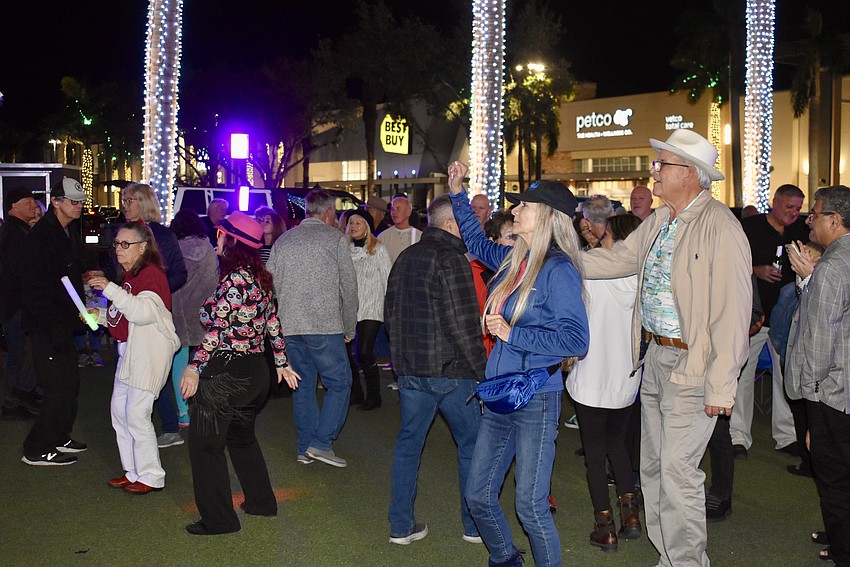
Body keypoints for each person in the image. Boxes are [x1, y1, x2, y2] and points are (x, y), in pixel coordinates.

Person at [581, 129, 752, 567]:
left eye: (662, 165)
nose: (653, 172)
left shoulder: (721, 226)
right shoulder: (660, 219)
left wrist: (721, 386)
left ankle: (687, 562)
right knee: (654, 467)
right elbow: (619, 259)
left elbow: (733, 312)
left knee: (677, 471)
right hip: (655, 357)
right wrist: (560, 257)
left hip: (695, 363)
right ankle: (669, 557)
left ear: (690, 173)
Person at [448, 163, 590, 567]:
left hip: (536, 398)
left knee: (530, 505)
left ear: (546, 216)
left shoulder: (558, 269)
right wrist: (457, 192)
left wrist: (514, 334)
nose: (514, 211)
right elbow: (476, 242)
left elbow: (576, 341)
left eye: (524, 206)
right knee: (478, 495)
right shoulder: (516, 259)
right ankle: (506, 558)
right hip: (499, 395)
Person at [179, 211, 298, 535]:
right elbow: (272, 322)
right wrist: (281, 362)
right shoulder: (260, 277)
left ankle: (219, 520)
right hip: (255, 373)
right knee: (241, 439)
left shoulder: (235, 280)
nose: (216, 238)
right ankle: (261, 502)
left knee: (205, 447)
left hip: (227, 374)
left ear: (231, 240)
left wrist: (194, 367)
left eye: (220, 234)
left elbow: (217, 329)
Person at [384, 195, 486, 546]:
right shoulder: (452, 259)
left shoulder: (406, 256)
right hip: (450, 372)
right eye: (465, 221)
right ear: (450, 224)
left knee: (408, 445)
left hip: (411, 370)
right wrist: (482, 371)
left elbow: (390, 314)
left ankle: (401, 526)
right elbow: (463, 325)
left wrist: (401, 361)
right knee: (472, 445)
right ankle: (473, 526)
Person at [566, 208, 642, 552]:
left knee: (595, 454)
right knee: (617, 445)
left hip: (591, 374)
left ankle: (605, 526)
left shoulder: (590, 268)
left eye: (606, 233)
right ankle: (630, 514)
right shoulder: (641, 273)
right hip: (625, 375)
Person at [267, 188, 358, 467]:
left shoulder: (284, 239)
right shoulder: (335, 239)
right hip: (324, 324)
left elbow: (269, 283)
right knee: (340, 383)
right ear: (329, 212)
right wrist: (349, 326)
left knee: (302, 385)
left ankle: (305, 446)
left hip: (290, 325)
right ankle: (321, 443)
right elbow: (349, 287)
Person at [87, 222, 179, 494]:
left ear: (143, 247)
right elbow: (124, 318)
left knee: (137, 415)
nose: (119, 248)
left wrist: (109, 289)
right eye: (117, 243)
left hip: (146, 354)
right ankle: (134, 471)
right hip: (131, 352)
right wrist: (99, 316)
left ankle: (151, 476)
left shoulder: (150, 275)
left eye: (126, 244)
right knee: (121, 413)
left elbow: (142, 313)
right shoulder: (131, 276)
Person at [785, 186, 850, 565]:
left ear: (835, 220)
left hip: (833, 390)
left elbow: (820, 337)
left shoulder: (832, 265)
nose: (809, 221)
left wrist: (810, 396)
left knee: (834, 476)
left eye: (815, 214)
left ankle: (843, 550)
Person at [730, 184, 807, 459]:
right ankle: (738, 436)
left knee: (785, 377)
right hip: (753, 316)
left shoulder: (801, 232)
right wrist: (756, 270)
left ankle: (786, 436)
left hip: (786, 318)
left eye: (798, 208)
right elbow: (729, 262)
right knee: (743, 376)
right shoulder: (750, 227)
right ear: (775, 202)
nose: (794, 213)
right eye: (789, 206)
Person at [21, 178, 93, 465]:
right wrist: (53, 326)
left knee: (69, 384)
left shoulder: (66, 230)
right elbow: (34, 289)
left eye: (80, 201)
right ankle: (37, 448)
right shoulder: (41, 236)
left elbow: (72, 267)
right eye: (74, 201)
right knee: (56, 387)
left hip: (61, 321)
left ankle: (59, 435)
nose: (79, 206)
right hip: (48, 325)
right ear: (56, 201)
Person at [110, 183, 187, 449]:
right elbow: (117, 272)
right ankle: (135, 448)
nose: (124, 205)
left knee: (152, 376)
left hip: (149, 316)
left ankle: (169, 427)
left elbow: (179, 273)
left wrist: (154, 292)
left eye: (130, 200)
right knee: (127, 381)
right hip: (126, 313)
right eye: (123, 200)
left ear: (144, 202)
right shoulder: (123, 232)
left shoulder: (163, 235)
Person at [169, 209, 219, 429]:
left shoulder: (173, 251)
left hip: (180, 314)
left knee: (179, 362)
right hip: (205, 311)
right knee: (207, 360)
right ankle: (209, 406)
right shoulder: (208, 249)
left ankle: (183, 413)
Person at [0, 187, 41, 420]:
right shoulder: (15, 234)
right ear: (13, 206)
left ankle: (19, 396)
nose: (33, 206)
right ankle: (14, 399)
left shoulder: (17, 231)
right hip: (17, 305)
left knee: (19, 354)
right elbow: (21, 271)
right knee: (22, 353)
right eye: (28, 202)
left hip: (14, 304)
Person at [345, 209, 391, 411]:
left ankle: (374, 396)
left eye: (358, 222)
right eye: (351, 222)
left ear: (367, 227)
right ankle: (356, 393)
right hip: (350, 308)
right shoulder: (345, 250)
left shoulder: (378, 249)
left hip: (372, 307)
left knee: (364, 352)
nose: (354, 226)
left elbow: (388, 278)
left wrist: (389, 307)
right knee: (347, 354)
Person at [378, 195, 421, 263]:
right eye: (392, 209)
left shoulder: (419, 237)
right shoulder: (383, 237)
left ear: (408, 212)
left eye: (398, 209)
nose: (394, 213)